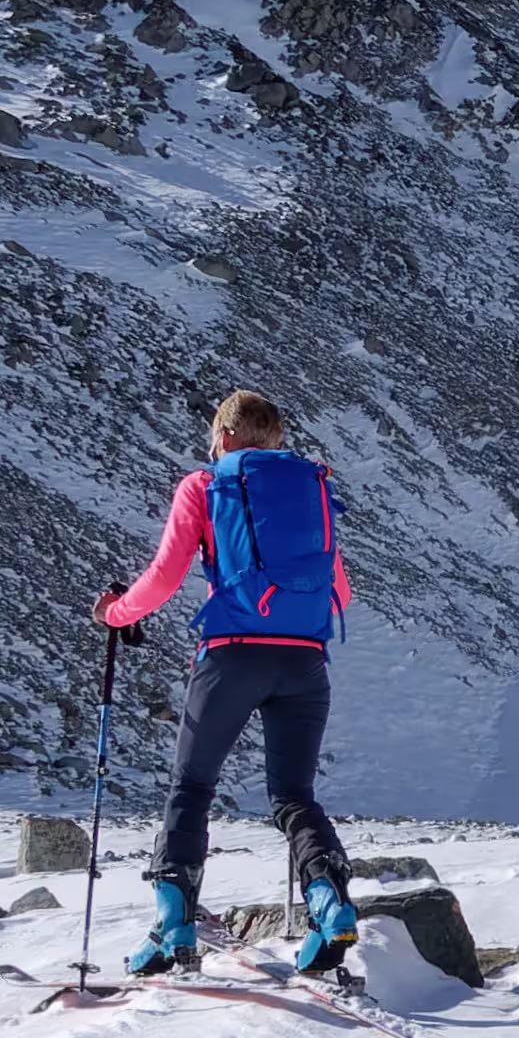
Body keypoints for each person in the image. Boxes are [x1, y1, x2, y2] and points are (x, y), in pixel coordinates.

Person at [98, 389, 359, 977]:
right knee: (293, 796)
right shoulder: (310, 487)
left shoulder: (206, 484)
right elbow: (338, 591)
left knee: (192, 787)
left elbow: (165, 576)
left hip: (231, 658)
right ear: (277, 438)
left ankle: (173, 926)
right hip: (305, 663)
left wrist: (117, 613)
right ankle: (330, 904)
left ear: (224, 436)